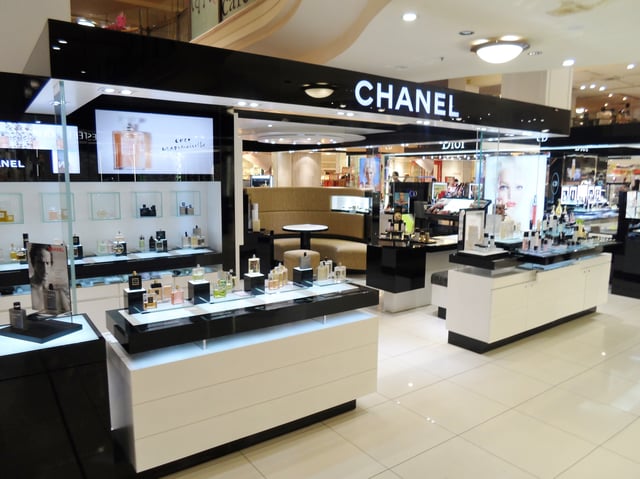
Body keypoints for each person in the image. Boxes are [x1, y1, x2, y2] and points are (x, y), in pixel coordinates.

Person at [29, 243, 71, 313]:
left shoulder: (59, 289)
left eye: (47, 263)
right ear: (33, 263)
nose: (45, 269)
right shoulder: (29, 290)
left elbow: (68, 313)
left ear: (51, 264)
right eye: (40, 263)